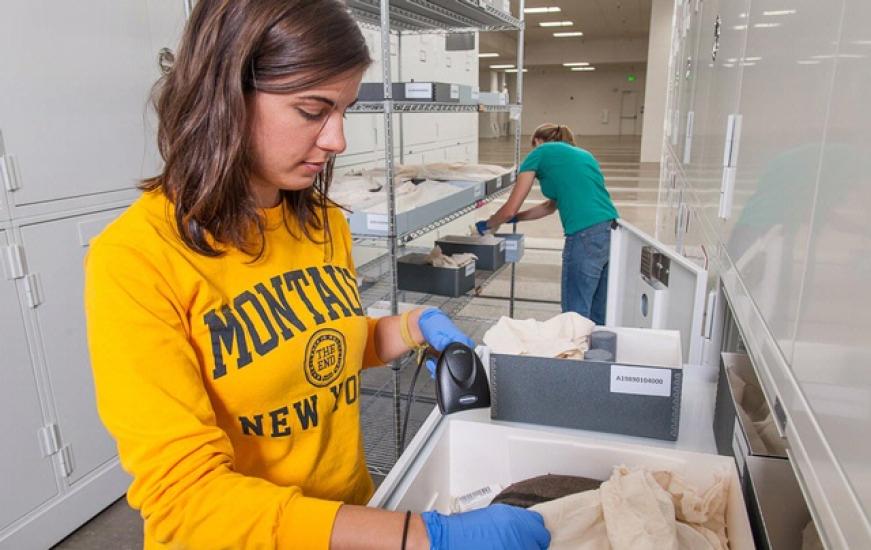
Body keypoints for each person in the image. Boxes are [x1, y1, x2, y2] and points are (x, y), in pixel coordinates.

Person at [83, 1, 550, 549]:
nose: (337, 141)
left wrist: (413, 326)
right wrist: (421, 537)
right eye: (312, 110)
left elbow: (325, 346)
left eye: (345, 110)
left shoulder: (321, 220)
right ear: (224, 95)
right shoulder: (136, 259)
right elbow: (186, 500)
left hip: (351, 517)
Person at [476, 123, 619, 325]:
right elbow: (549, 206)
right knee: (598, 311)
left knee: (574, 315)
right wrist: (516, 218)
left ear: (538, 141)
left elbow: (510, 208)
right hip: (610, 231)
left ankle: (573, 353)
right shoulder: (584, 155)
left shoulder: (540, 152)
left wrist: (488, 224)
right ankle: (597, 354)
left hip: (584, 235)